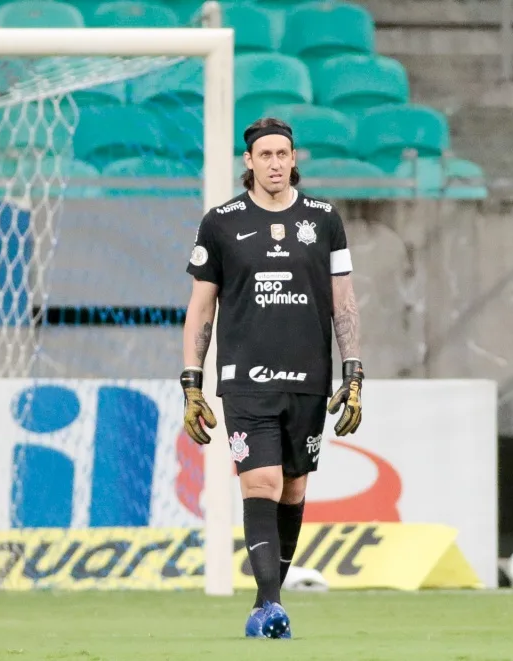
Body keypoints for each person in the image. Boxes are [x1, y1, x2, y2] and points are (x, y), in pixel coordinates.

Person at [180, 117, 364, 639]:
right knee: (261, 481)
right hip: (245, 379)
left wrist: (354, 372)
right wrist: (192, 381)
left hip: (309, 377)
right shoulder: (220, 222)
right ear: (249, 162)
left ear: (293, 158)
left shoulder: (325, 219)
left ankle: (270, 602)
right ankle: (268, 605)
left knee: (293, 488)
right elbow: (201, 308)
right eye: (265, 155)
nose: (275, 163)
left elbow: (344, 302)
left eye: (283, 154)